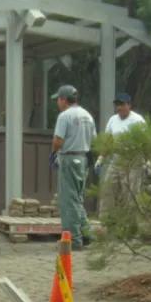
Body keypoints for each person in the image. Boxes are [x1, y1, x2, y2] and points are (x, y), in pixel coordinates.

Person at [51, 84, 96, 249]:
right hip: (83, 158)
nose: (57, 102)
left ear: (63, 99)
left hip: (69, 159)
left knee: (67, 201)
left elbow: (58, 140)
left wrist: (53, 153)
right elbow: (94, 140)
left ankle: (73, 240)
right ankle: (86, 234)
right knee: (77, 198)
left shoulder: (65, 116)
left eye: (58, 99)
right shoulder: (87, 116)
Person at [97, 91, 149, 215]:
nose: (118, 108)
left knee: (130, 192)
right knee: (107, 189)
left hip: (133, 159)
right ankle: (106, 220)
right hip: (116, 158)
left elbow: (146, 141)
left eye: (121, 104)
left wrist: (148, 161)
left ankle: (130, 223)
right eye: (116, 105)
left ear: (129, 105)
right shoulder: (112, 120)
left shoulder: (138, 120)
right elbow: (108, 140)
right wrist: (101, 158)